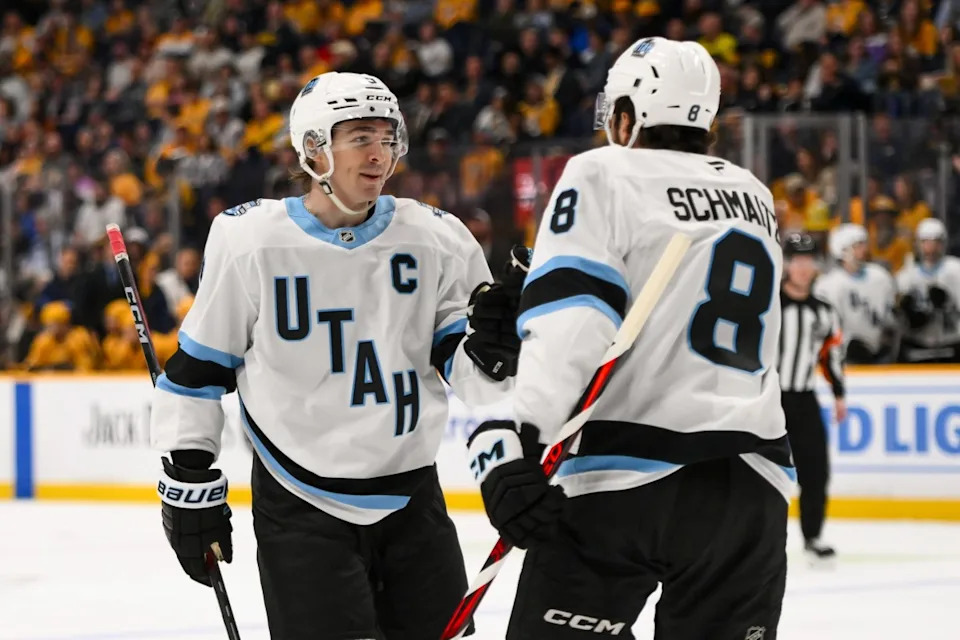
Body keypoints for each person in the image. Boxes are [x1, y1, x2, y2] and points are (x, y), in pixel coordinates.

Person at [149, 71, 526, 639]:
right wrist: (188, 479)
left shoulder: (437, 237)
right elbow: (199, 371)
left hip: (412, 500)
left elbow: (470, 373)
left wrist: (501, 354)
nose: (379, 155)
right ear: (313, 149)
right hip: (300, 504)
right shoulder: (250, 241)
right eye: (360, 137)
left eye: (388, 137)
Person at [467, 37, 793, 639]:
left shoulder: (601, 171)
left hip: (625, 479)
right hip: (752, 485)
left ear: (628, 114)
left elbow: (575, 326)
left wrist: (515, 439)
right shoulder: (754, 193)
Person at [779, 232, 846, 561]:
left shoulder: (823, 312)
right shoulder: (768, 306)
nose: (804, 268)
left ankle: (813, 536)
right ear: (786, 264)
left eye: (809, 261)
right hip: (767, 399)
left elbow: (830, 356)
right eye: (797, 260)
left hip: (804, 398)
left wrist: (838, 393)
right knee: (758, 472)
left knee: (816, 471)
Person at [815, 223, 898, 363]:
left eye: (864, 244)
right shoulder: (826, 285)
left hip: (880, 355)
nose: (864, 249)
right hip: (843, 359)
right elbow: (824, 328)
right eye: (857, 245)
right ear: (842, 249)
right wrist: (845, 345)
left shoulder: (880, 277)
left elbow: (890, 318)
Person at [897, 218, 960, 362]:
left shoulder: (956, 270)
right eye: (926, 242)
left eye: (936, 242)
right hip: (918, 345)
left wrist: (948, 304)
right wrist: (909, 316)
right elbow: (897, 320)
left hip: (952, 343)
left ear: (943, 244)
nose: (931, 248)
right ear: (918, 244)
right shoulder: (905, 276)